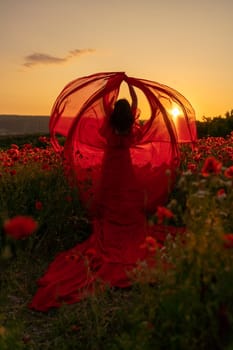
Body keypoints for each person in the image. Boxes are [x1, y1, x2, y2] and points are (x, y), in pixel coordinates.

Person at [29, 72, 196, 312]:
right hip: (125, 167)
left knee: (110, 197)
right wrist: (132, 90)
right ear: (131, 117)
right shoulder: (131, 133)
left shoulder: (107, 130)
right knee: (128, 196)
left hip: (111, 167)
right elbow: (136, 111)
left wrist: (113, 87)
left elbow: (106, 107)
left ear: (112, 116)